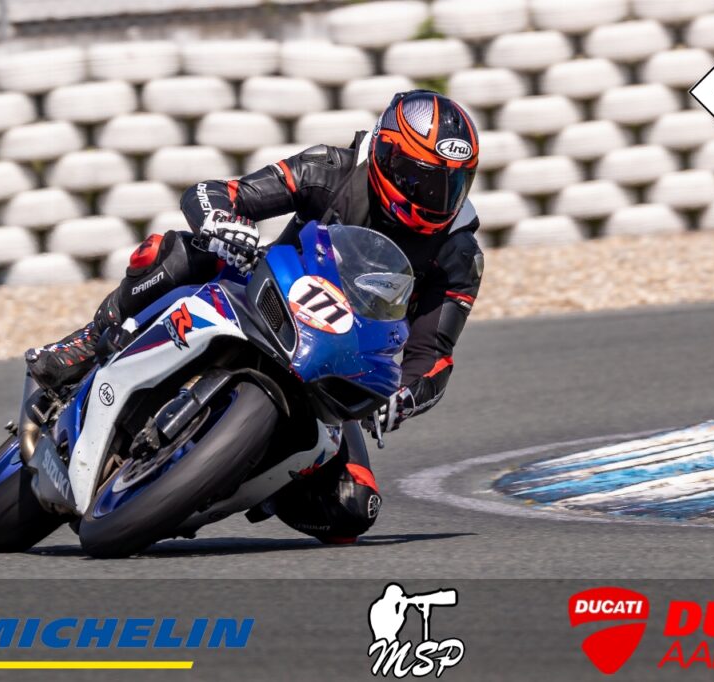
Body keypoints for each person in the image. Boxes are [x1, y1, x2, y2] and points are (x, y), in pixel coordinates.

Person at [25, 90, 484, 543]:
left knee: (353, 508)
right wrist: (223, 222)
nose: (437, 198)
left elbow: (433, 356)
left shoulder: (458, 252)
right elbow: (217, 193)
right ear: (387, 155)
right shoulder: (331, 169)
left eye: (453, 184)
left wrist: (402, 397)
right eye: (423, 180)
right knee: (180, 252)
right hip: (263, 293)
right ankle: (90, 340)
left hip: (337, 361)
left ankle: (236, 476)